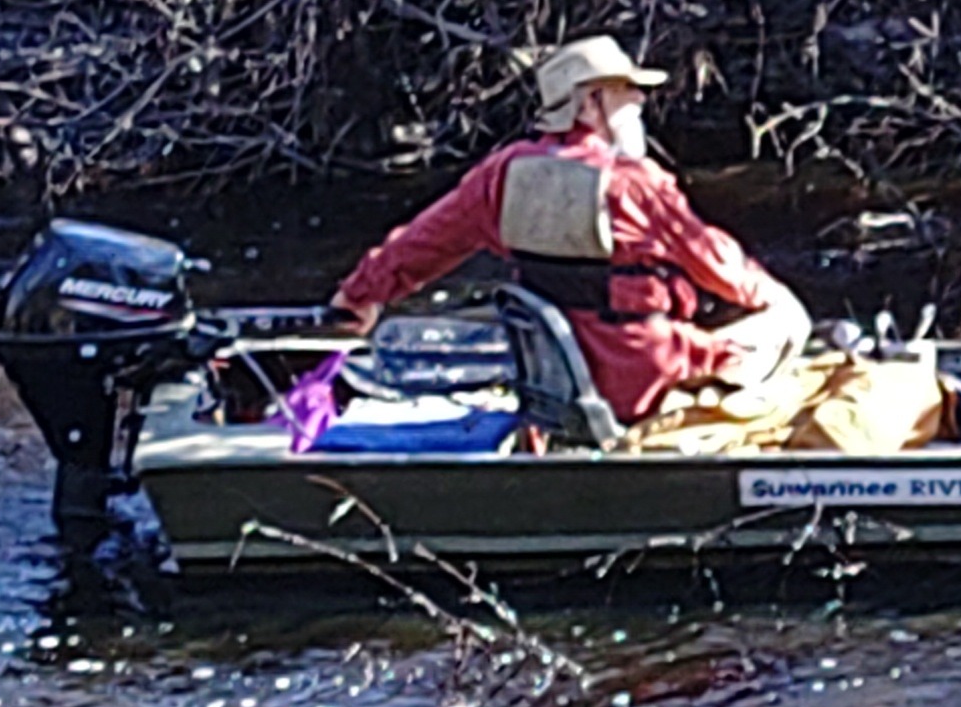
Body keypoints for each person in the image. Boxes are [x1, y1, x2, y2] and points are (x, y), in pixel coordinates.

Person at [334, 35, 808, 425]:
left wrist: (360, 295)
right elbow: (716, 262)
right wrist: (774, 298)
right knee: (780, 325)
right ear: (589, 105)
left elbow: (422, 244)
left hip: (551, 378)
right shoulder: (635, 185)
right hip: (647, 373)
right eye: (626, 90)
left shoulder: (501, 174)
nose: (639, 100)